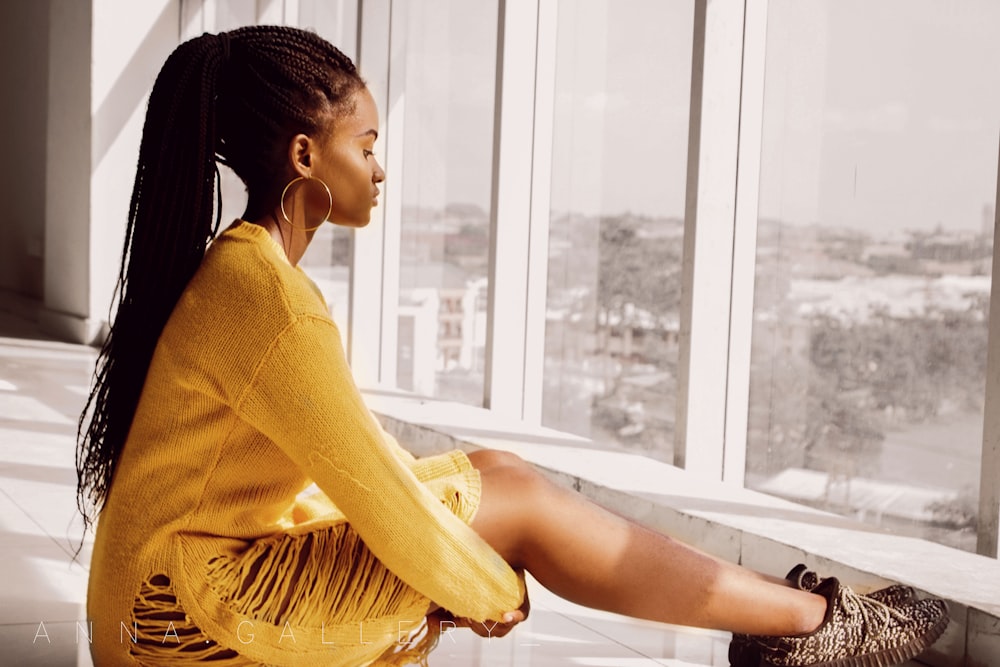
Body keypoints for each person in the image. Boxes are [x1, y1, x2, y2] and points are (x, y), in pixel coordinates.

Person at [75, 26, 949, 667]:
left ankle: (787, 618)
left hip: (154, 598)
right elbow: (377, 498)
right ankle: (809, 625)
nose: (381, 168)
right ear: (306, 155)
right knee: (517, 506)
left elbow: (356, 456)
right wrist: (490, 589)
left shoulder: (244, 269)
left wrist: (469, 521)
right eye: (367, 144)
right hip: (177, 622)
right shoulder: (267, 295)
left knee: (496, 474)